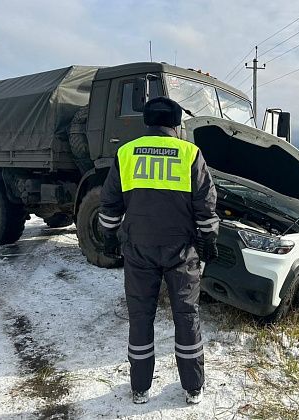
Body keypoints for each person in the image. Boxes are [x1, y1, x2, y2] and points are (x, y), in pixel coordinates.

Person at [98, 96, 219, 405]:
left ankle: (140, 388)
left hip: (138, 250)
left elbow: (110, 202)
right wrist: (208, 242)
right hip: (181, 251)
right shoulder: (190, 153)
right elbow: (205, 206)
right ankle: (193, 388)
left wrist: (109, 235)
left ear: (147, 122)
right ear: (177, 124)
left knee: (140, 317)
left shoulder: (126, 153)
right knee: (186, 316)